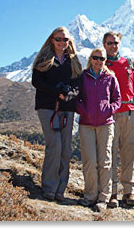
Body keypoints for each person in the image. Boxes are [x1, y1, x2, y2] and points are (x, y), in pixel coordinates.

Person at [31, 26, 82, 202]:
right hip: (47, 107)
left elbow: (78, 85)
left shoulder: (74, 61)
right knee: (55, 146)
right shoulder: (44, 58)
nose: (62, 42)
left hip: (67, 108)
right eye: (58, 39)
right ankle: (49, 188)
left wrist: (69, 94)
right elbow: (36, 81)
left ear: (69, 42)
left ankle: (61, 189)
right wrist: (57, 90)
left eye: (65, 39)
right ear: (52, 40)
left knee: (66, 149)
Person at [103, 31, 134, 207]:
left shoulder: (130, 63)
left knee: (130, 153)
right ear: (104, 45)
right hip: (110, 114)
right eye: (109, 43)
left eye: (115, 43)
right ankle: (112, 192)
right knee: (111, 153)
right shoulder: (101, 63)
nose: (113, 46)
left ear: (119, 44)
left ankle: (129, 192)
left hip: (130, 112)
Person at [76, 48, 121, 212]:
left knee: (105, 161)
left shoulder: (110, 78)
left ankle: (103, 198)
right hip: (86, 124)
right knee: (89, 161)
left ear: (104, 60)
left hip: (106, 124)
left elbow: (117, 99)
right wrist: (83, 110)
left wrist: (109, 110)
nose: (98, 61)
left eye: (101, 58)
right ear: (90, 59)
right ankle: (89, 196)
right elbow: (76, 97)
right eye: (95, 58)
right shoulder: (83, 77)